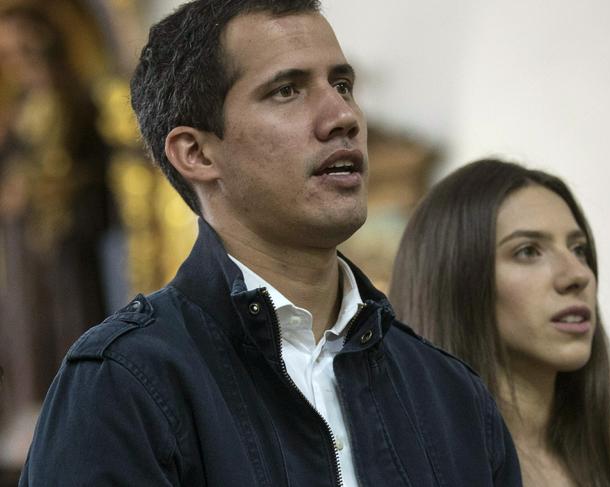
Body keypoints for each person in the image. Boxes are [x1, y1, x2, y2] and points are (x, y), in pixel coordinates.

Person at [19, 1, 522, 485]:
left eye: (342, 85)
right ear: (195, 153)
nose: (342, 116)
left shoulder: (451, 395)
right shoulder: (123, 382)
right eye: (287, 91)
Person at [390, 158, 610, 486]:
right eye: (528, 251)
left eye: (579, 249)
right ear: (456, 281)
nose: (578, 274)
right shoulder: (405, 471)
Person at [0, 5, 113, 468]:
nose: (16, 62)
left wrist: (49, 188)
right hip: (23, 241)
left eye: (23, 49)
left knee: (70, 317)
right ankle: (31, 419)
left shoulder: (75, 101)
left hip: (68, 240)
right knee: (25, 323)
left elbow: (94, 172)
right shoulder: (19, 107)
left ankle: (75, 414)